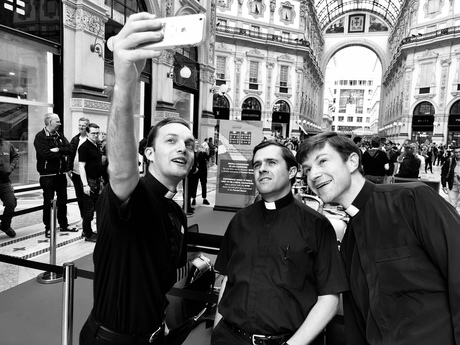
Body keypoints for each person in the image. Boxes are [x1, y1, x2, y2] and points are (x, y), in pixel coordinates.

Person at [79, 13, 195, 345]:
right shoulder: (134, 194)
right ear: (147, 154)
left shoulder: (175, 212)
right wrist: (126, 81)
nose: (182, 148)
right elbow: (120, 168)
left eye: (189, 144)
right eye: (170, 141)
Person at [296, 132, 460, 345]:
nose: (313, 175)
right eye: (307, 169)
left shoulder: (411, 199)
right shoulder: (349, 241)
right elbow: (357, 321)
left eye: (323, 161)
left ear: (353, 161)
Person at [211, 140, 348, 345]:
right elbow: (228, 281)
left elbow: (329, 297)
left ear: (292, 172)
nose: (262, 169)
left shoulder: (317, 226)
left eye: (271, 162)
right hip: (230, 337)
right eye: (257, 165)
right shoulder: (240, 220)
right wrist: (216, 332)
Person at [34, 113, 77, 238]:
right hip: (47, 175)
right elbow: (46, 155)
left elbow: (69, 149)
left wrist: (58, 150)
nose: (60, 123)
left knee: (63, 200)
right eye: (57, 121)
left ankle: (64, 224)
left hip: (60, 174)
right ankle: (48, 227)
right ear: (49, 122)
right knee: (48, 201)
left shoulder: (59, 135)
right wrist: (61, 152)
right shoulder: (40, 137)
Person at [78, 123, 103, 242]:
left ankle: (94, 231)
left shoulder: (96, 145)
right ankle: (87, 233)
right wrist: (85, 184)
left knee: (96, 207)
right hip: (89, 181)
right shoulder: (84, 147)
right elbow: (81, 167)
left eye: (97, 133)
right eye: (93, 133)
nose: (95, 135)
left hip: (97, 180)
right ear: (87, 133)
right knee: (88, 209)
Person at [69, 117, 90, 222]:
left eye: (83, 125)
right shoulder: (75, 139)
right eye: (80, 125)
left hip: (87, 173)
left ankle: (88, 218)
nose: (81, 127)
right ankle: (83, 217)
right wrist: (69, 168)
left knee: (87, 196)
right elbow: (70, 154)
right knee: (79, 196)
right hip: (76, 172)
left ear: (87, 127)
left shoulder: (90, 139)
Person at [0, 134, 19, 237]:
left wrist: (10, 167)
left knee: (11, 203)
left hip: (5, 181)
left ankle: (5, 225)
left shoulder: (7, 144)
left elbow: (15, 156)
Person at [441, 145, 460, 210]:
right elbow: (443, 173)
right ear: (454, 153)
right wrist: (444, 185)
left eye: (459, 152)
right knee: (452, 206)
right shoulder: (450, 161)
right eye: (456, 152)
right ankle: (454, 219)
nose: (458, 154)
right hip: (453, 186)